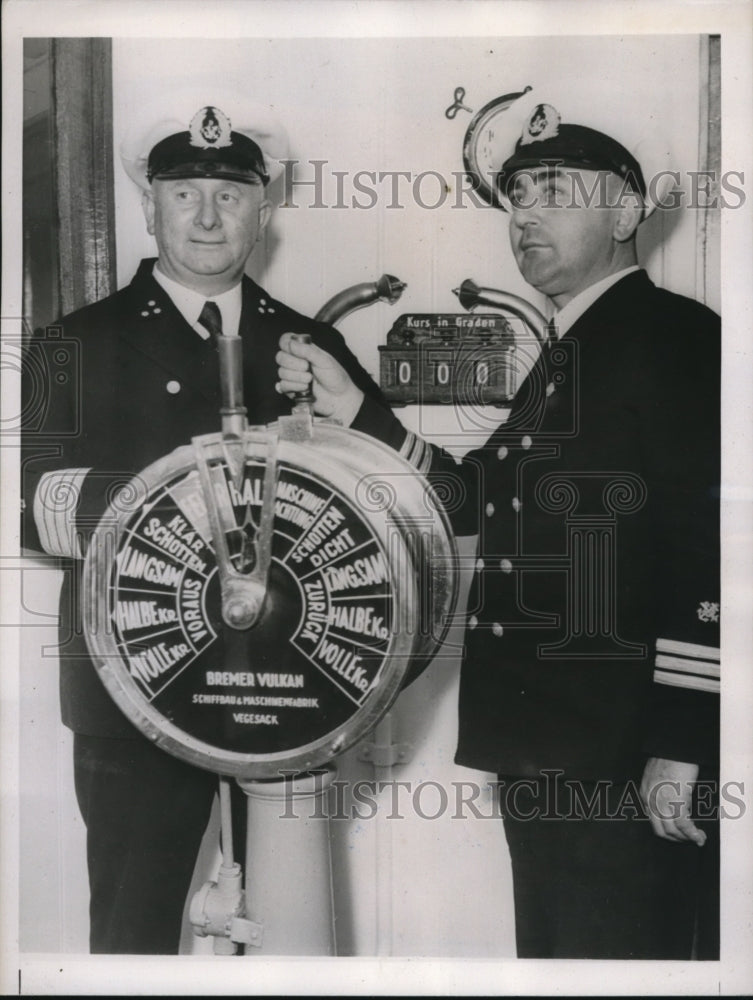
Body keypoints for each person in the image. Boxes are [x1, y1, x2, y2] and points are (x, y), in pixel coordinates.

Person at [277, 92, 721, 959]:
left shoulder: (676, 341)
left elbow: (707, 552)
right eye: (516, 197)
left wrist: (682, 745)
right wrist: (360, 411)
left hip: (623, 750)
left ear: (628, 208)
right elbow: (478, 497)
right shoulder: (568, 353)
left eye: (555, 189)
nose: (524, 217)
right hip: (548, 742)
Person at [20, 94, 388, 955]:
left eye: (230, 193)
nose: (208, 214)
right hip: (132, 682)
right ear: (150, 207)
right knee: (132, 929)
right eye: (184, 193)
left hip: (290, 685)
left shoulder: (310, 347)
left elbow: (379, 501)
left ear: (263, 210)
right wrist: (178, 501)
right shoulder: (73, 341)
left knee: (289, 924)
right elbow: (31, 506)